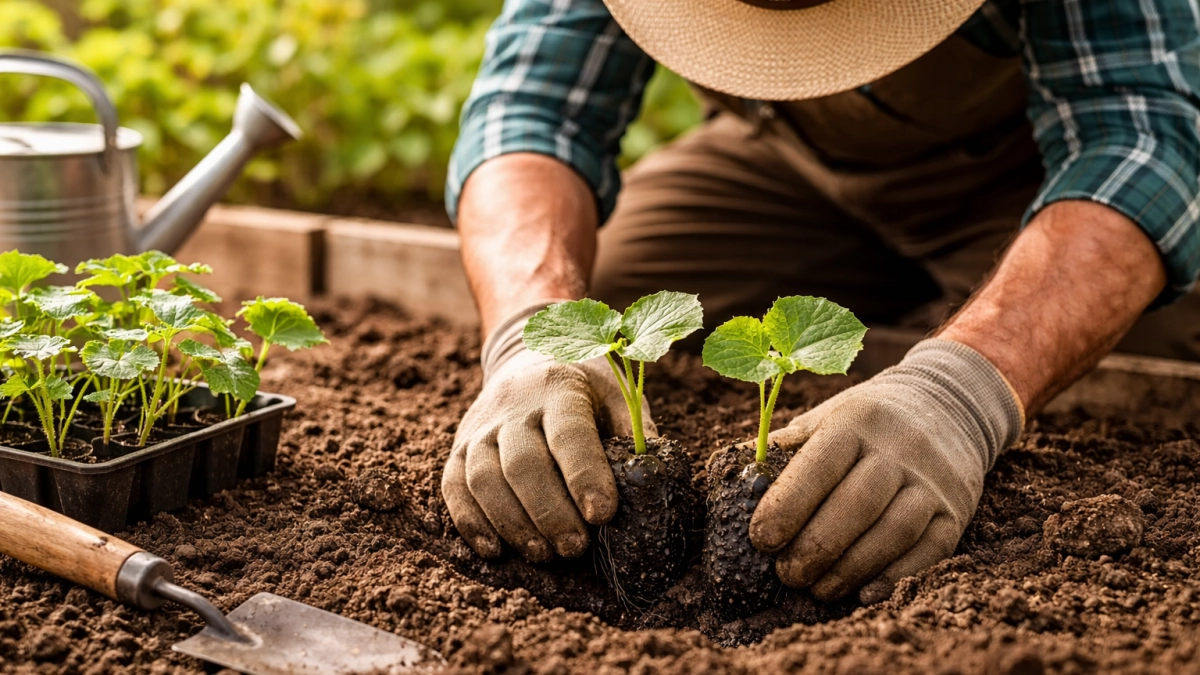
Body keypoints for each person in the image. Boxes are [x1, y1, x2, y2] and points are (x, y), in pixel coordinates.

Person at [439, 0, 1200, 605]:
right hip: (795, 171)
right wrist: (530, 335)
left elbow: (1146, 143)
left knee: (1146, 364)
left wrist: (960, 391)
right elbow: (531, 109)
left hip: (1038, 184)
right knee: (623, 305)